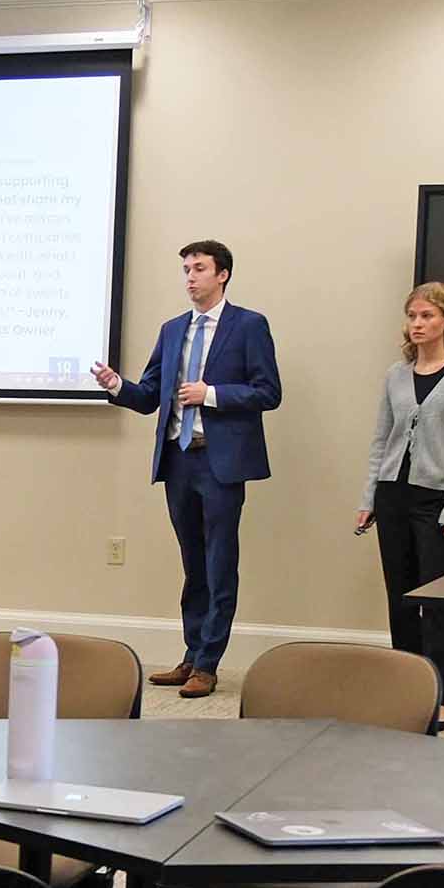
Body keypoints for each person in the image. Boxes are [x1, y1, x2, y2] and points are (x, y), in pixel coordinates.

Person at [92, 241, 281, 698]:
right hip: (178, 461)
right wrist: (118, 386)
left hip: (220, 463)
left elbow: (268, 392)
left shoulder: (249, 325)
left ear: (223, 275)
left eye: (199, 268)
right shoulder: (173, 329)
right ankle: (192, 654)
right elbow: (151, 394)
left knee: (219, 563)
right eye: (186, 269)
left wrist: (211, 394)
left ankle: (209, 663)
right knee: (193, 564)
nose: (190, 277)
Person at [358, 282, 444, 730]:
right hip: (393, 495)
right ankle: (406, 691)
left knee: (435, 603)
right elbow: (381, 441)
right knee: (400, 599)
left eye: (427, 316)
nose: (418, 324)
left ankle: (439, 696)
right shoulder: (396, 375)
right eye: (412, 315)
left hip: (437, 501)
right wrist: (369, 497)